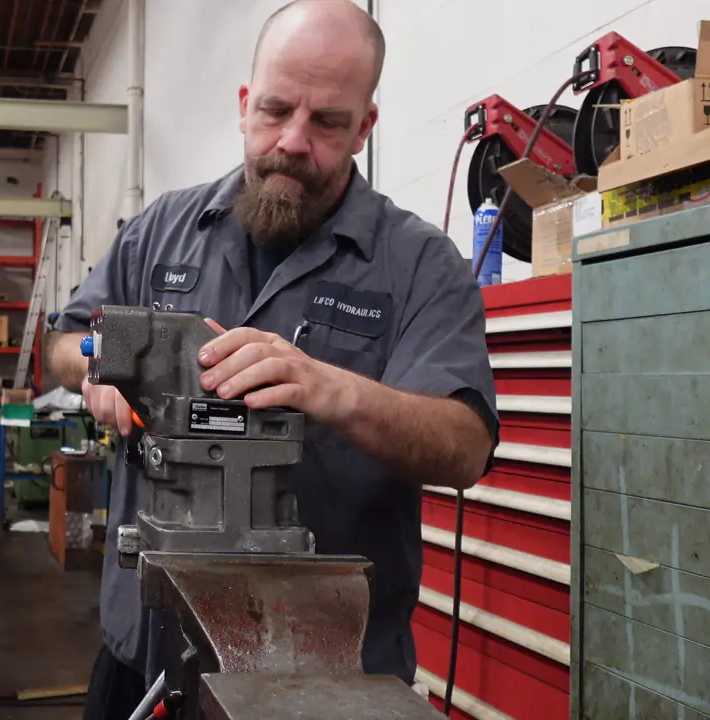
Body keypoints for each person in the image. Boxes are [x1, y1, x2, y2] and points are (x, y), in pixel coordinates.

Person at [44, 1, 500, 716]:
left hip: (325, 678)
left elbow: (465, 446)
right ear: (243, 103)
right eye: (276, 110)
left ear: (365, 129)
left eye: (326, 123)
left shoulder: (418, 266)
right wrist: (99, 368)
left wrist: (334, 390)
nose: (291, 141)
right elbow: (64, 343)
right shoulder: (163, 230)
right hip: (145, 653)